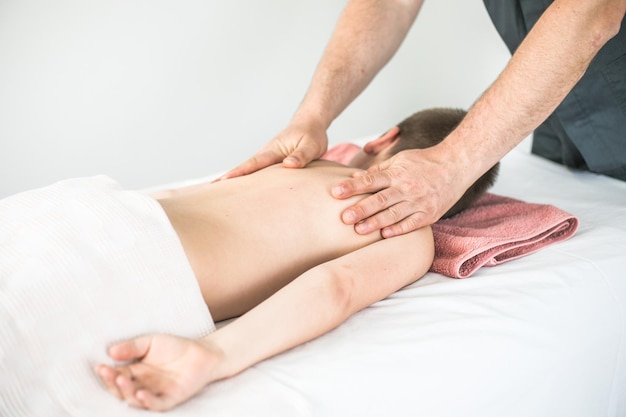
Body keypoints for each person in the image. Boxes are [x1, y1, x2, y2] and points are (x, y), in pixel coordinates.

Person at [94, 108, 498, 411]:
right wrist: (217, 355)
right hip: (143, 268)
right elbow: (335, 289)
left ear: (383, 140)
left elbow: (186, 194)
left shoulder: (302, 160)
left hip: (94, 209)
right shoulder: (409, 237)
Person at [221, 0, 626, 239]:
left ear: (383, 141)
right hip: (563, 111)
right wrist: (312, 115)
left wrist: (453, 164)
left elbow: (589, 9)